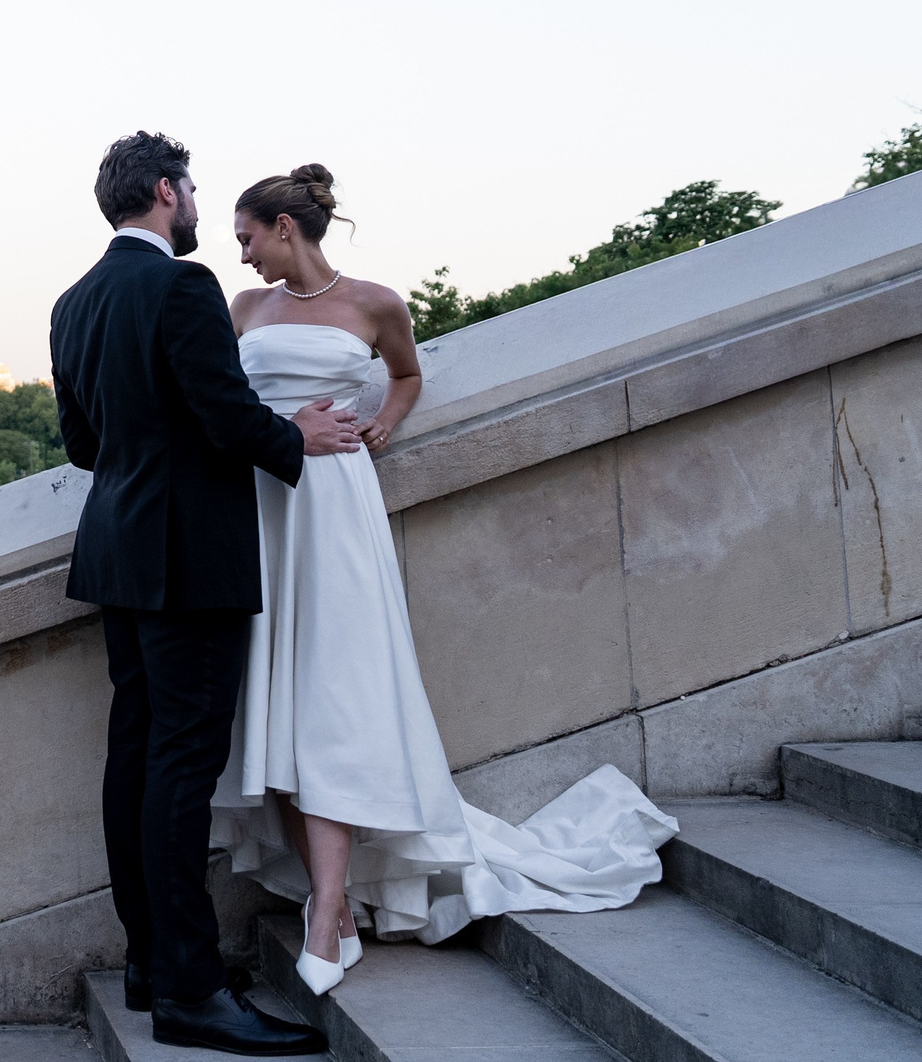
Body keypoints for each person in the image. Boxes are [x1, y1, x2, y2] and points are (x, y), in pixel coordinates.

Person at [210, 165, 676, 994]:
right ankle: (338, 903)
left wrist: (384, 423)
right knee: (274, 699)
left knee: (334, 694)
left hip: (333, 508)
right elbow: (221, 406)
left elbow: (408, 374)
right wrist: (285, 428)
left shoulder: (376, 302)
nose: (239, 254)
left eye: (247, 236)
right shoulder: (241, 311)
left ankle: (328, 908)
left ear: (286, 228)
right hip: (260, 508)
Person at [52, 132, 358, 1057]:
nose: (196, 204)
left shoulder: (73, 301)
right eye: (191, 189)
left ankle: (151, 961)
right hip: (188, 561)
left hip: (117, 551)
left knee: (138, 761)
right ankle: (188, 991)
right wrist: (294, 437)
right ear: (162, 191)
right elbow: (225, 415)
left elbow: (83, 444)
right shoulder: (183, 289)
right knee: (181, 773)